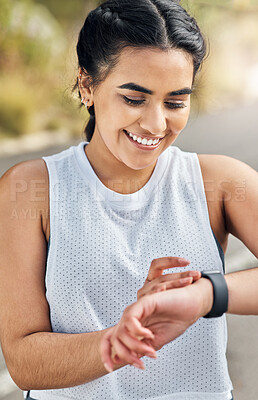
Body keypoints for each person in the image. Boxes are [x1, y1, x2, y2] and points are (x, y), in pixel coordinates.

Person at [0, 0, 257, 399]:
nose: (156, 124)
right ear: (87, 86)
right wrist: (117, 343)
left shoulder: (220, 182)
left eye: (175, 102)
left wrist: (204, 293)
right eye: (134, 99)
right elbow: (24, 362)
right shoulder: (31, 189)